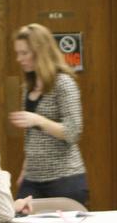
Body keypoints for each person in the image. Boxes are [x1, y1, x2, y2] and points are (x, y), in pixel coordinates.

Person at [9, 23, 88, 204]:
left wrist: (39, 120)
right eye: (17, 53)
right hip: (33, 177)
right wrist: (25, 169)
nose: (19, 59)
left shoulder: (63, 83)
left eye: (24, 53)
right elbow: (31, 137)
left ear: (40, 51)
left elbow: (72, 132)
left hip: (64, 178)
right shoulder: (28, 86)